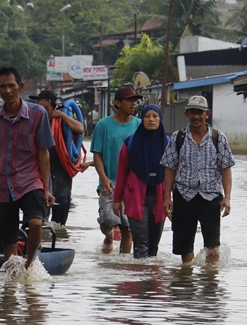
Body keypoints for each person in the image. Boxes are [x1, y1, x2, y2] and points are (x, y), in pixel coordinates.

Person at [0, 67, 56, 270]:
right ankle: (12, 286)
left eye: (11, 86)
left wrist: (47, 189)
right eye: (3, 87)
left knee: (36, 223)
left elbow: (43, 153)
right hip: (3, 186)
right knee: (8, 241)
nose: (7, 90)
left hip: (31, 181)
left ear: (20, 87)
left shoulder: (37, 114)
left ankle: (30, 266)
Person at [161, 95, 235, 264]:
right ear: (187, 114)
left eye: (200, 112)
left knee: (213, 245)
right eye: (192, 112)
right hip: (184, 196)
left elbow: (226, 169)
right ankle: (186, 283)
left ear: (207, 114)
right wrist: (167, 197)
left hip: (211, 197)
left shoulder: (218, 138)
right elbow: (170, 169)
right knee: (184, 247)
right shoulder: (177, 138)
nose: (196, 116)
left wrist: (227, 197)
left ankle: (209, 282)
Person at [90, 85, 142, 254]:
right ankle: (109, 236)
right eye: (129, 100)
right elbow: (97, 154)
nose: (133, 104)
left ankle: (122, 267)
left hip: (132, 186)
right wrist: (104, 178)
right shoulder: (103, 125)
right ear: (118, 103)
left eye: (135, 100)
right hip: (109, 184)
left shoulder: (140, 125)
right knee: (106, 221)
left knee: (128, 228)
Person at [112, 104, 169, 259]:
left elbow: (174, 174)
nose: (151, 119)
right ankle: (140, 278)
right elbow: (121, 174)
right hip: (135, 197)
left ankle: (151, 279)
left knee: (153, 246)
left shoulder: (169, 145)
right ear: (142, 119)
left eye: (155, 116)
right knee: (141, 243)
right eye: (147, 116)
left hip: (160, 198)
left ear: (160, 119)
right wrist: (116, 200)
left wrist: (173, 199)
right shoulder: (130, 144)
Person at [29, 90, 84, 226]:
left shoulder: (62, 120)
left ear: (48, 102)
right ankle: (41, 240)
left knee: (60, 214)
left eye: (39, 100)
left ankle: (58, 242)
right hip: (41, 171)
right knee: (40, 214)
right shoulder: (35, 119)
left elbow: (80, 129)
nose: (36, 103)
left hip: (61, 171)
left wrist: (60, 115)